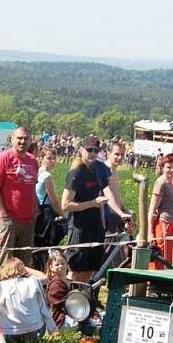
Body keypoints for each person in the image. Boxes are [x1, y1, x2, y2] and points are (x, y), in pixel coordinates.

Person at [61, 137, 112, 282]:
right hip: (79, 228)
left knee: (90, 270)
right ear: (81, 150)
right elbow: (65, 205)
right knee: (76, 271)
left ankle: (82, 299)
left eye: (96, 151)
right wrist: (91, 203)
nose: (92, 153)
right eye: (89, 150)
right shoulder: (76, 174)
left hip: (96, 228)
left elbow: (100, 198)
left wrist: (102, 224)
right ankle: (69, 301)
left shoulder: (97, 171)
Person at [0, 126, 39, 266]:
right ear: (12, 140)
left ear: (30, 141)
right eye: (19, 138)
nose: (22, 141)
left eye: (26, 138)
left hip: (28, 220)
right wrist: (3, 214)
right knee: (4, 261)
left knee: (23, 264)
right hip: (8, 220)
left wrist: (34, 211)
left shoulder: (33, 161)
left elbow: (33, 187)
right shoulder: (3, 158)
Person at [0, 257, 57, 343]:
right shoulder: (33, 281)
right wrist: (23, 267)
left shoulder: (1, 286)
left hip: (11, 332)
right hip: (35, 329)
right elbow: (44, 277)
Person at [33, 147, 64, 270]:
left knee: (38, 244)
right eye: (49, 158)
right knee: (48, 244)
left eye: (54, 158)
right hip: (47, 212)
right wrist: (62, 214)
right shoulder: (46, 176)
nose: (52, 161)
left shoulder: (36, 173)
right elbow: (54, 201)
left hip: (37, 211)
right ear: (41, 159)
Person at [147, 153, 173, 269]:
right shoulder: (161, 182)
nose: (171, 170)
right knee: (160, 256)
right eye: (168, 167)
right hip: (163, 223)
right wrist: (150, 232)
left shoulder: (169, 183)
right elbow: (153, 208)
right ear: (162, 167)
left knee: (166, 258)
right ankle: (153, 284)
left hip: (170, 224)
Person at [45, 249, 71, 329]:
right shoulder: (56, 285)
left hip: (71, 314)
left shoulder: (69, 281)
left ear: (67, 264)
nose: (60, 266)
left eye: (63, 263)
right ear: (51, 267)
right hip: (60, 320)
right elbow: (65, 305)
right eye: (57, 265)